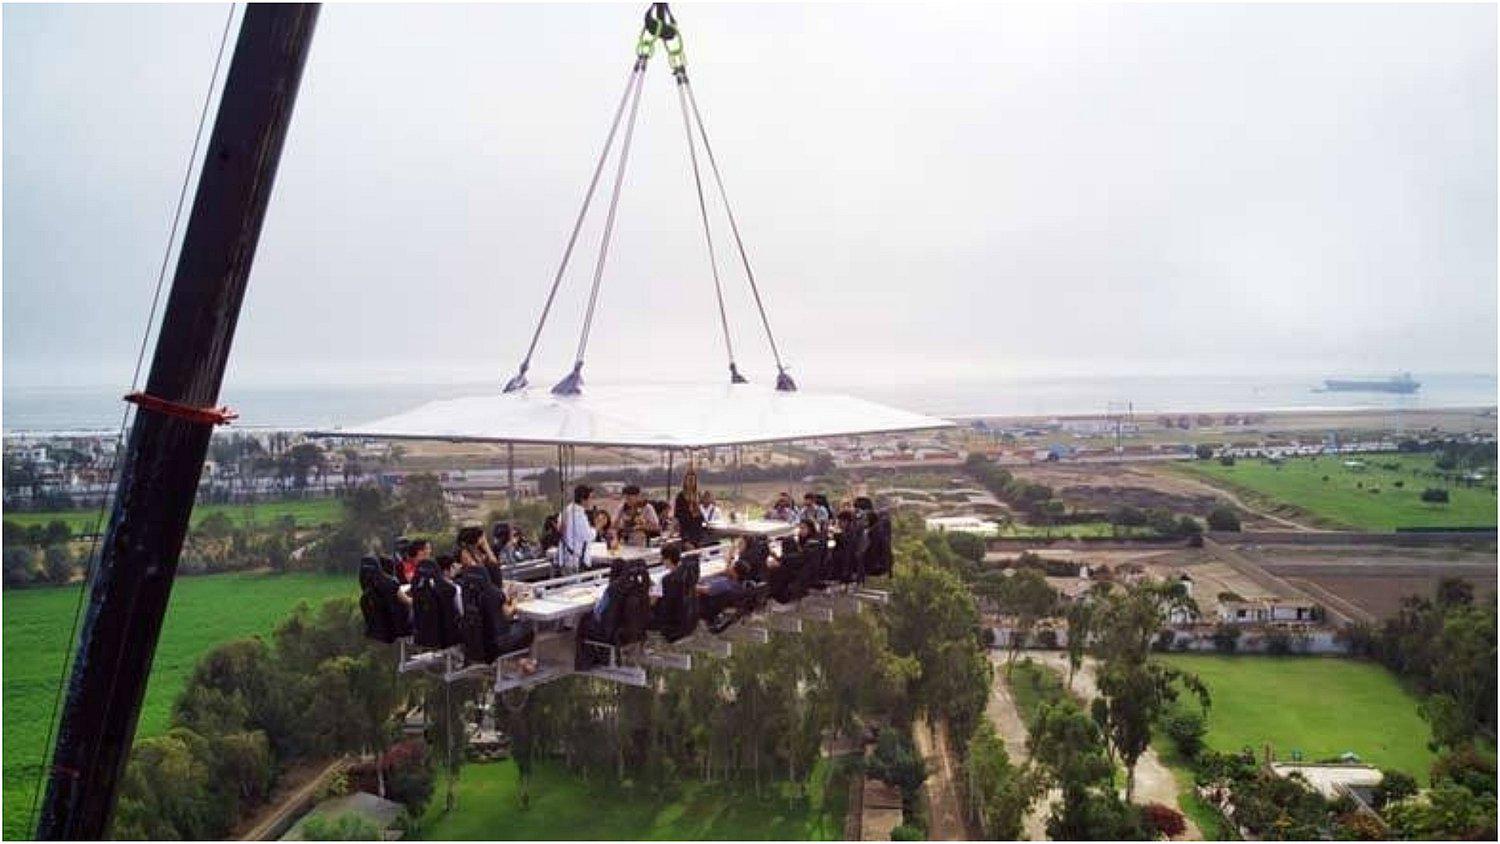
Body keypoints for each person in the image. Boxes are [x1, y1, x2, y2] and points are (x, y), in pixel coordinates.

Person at [559, 485, 596, 574]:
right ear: (583, 499)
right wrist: (596, 528)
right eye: (591, 498)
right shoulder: (578, 515)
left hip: (565, 557)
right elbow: (588, 537)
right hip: (575, 560)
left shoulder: (566, 510)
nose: (592, 501)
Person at [674, 469, 707, 547]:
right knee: (689, 551)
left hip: (698, 532)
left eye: (693, 480)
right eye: (689, 480)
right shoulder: (680, 496)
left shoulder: (698, 495)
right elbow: (677, 516)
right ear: (685, 481)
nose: (691, 482)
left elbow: (702, 514)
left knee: (697, 554)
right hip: (686, 532)